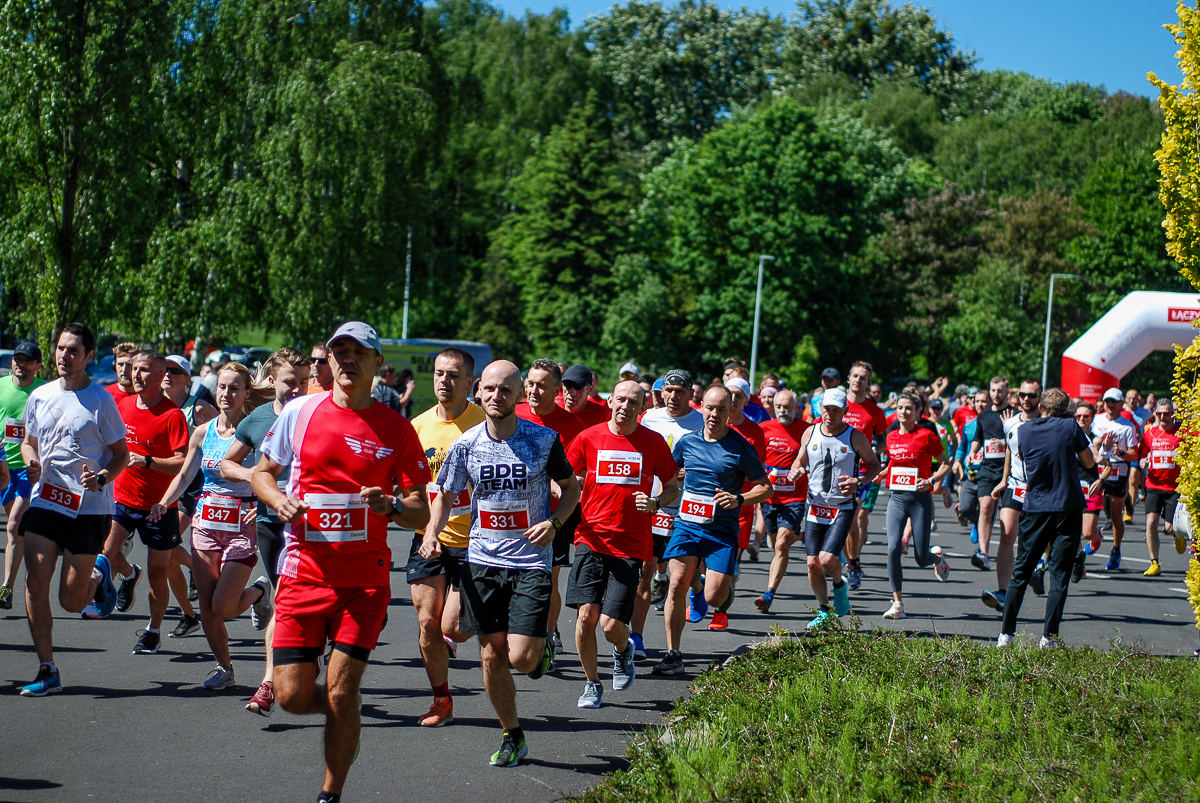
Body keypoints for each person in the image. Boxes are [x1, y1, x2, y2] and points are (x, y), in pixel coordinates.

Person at [254, 322, 430, 800]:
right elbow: (262, 473)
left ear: (377, 363)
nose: (347, 359)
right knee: (291, 696)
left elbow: (421, 510)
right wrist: (277, 500)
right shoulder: (300, 411)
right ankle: (346, 715)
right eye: (339, 352)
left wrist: (391, 505)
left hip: (363, 583)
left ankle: (331, 792)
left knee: (338, 689)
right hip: (303, 574)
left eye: (358, 352)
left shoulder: (396, 428)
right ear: (328, 361)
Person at [428, 360, 580, 766]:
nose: (497, 397)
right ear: (480, 391)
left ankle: (541, 646)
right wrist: (430, 533)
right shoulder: (466, 445)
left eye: (506, 391)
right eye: (490, 390)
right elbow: (444, 494)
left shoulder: (544, 440)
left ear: (518, 395)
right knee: (491, 655)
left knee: (521, 659)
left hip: (530, 561)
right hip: (482, 560)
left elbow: (571, 488)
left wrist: (555, 522)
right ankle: (512, 735)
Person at [18, 323, 129, 696]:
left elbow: (121, 455)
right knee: (34, 581)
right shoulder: (41, 395)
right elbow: (29, 443)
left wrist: (100, 477)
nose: (64, 356)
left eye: (73, 351)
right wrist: (32, 462)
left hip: (89, 508)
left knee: (71, 601)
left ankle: (99, 575)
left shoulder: (101, 401)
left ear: (88, 357)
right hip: (46, 500)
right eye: (61, 349)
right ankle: (47, 668)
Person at [150, 362, 270, 685]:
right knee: (207, 606)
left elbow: (269, 476)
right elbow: (186, 474)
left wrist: (261, 504)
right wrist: (164, 502)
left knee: (224, 606)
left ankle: (259, 591)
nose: (226, 393)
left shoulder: (255, 432)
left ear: (247, 393)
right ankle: (225, 669)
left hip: (242, 521)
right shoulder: (203, 433)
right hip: (206, 520)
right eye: (222, 387)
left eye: (234, 388)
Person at [566, 380, 678, 708]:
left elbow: (672, 486)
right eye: (621, 399)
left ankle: (623, 649)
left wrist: (656, 503)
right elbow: (563, 478)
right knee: (586, 617)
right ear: (610, 401)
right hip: (590, 538)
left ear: (642, 408)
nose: (625, 406)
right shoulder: (588, 437)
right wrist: (567, 492)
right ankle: (591, 684)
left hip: (630, 545)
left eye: (633, 402)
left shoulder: (653, 442)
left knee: (611, 624)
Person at [652, 385, 772, 676]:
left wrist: (739, 498)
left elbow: (766, 488)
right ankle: (673, 653)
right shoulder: (687, 442)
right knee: (676, 584)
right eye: (709, 408)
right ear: (701, 407)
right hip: (687, 524)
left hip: (721, 531)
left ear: (731, 412)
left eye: (721, 409)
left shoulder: (741, 447)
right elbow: (670, 474)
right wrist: (671, 481)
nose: (714, 414)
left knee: (714, 598)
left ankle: (716, 588)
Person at [220, 347, 311, 716]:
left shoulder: (315, 413)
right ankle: (269, 684)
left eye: (305, 382)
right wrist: (258, 479)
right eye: (291, 381)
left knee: (303, 602)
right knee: (285, 599)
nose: (298, 389)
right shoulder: (257, 418)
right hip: (271, 524)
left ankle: (305, 664)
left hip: (314, 526)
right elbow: (228, 463)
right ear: (272, 381)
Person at [409, 347, 483, 727]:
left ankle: (491, 615)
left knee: (452, 628)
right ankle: (442, 700)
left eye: (453, 375)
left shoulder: (485, 423)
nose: (444, 381)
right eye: (439, 373)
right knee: (426, 624)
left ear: (469, 382)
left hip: (477, 540)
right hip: (430, 535)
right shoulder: (418, 426)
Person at [98, 351, 189, 658]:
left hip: (158, 507)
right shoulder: (122, 405)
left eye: (145, 370)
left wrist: (148, 461)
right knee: (106, 553)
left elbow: (181, 463)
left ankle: (153, 630)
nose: (136, 375)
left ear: (161, 375)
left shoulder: (172, 415)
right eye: (135, 369)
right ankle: (120, 580)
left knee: (158, 572)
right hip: (122, 499)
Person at [998, 388, 1096, 648]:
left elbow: (1025, 456)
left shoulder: (1024, 431)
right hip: (1067, 506)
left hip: (1036, 506)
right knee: (1060, 575)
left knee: (1021, 571)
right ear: (1067, 411)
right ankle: (1048, 637)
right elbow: (1088, 462)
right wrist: (1072, 425)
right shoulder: (1071, 428)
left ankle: (1006, 634)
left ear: (1040, 407)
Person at [515, 359, 586, 663]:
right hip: (513, 510)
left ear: (557, 390)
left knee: (548, 577)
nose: (533, 389)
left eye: (541, 384)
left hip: (554, 514)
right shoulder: (513, 414)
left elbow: (577, 479)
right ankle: (519, 632)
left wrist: (556, 486)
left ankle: (548, 631)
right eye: (530, 383)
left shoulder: (574, 427)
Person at [636, 369, 704, 655]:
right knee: (645, 571)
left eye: (680, 392)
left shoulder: (700, 421)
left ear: (690, 395)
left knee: (679, 579)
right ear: (661, 393)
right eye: (669, 391)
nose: (674, 397)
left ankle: (698, 590)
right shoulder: (649, 418)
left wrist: (688, 471)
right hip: (654, 503)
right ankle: (636, 639)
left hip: (687, 506)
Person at [881, 392, 952, 619]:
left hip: (920, 500)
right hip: (897, 498)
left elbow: (945, 464)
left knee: (921, 558)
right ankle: (897, 603)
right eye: (900, 408)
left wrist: (931, 480)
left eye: (908, 408)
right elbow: (894, 462)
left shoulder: (926, 435)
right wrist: (881, 474)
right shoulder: (891, 437)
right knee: (893, 547)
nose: (903, 412)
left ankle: (938, 559)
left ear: (917, 412)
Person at [161, 354, 217, 635]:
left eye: (175, 371)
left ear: (187, 378)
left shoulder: (197, 407)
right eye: (164, 369)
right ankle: (189, 614)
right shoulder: (153, 406)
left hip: (192, 487)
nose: (167, 375)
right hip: (162, 484)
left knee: (167, 547)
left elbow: (227, 434)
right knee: (167, 557)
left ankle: (197, 568)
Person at [980, 380, 1041, 612]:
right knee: (1006, 535)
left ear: (1039, 397)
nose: (1027, 399)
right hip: (1015, 486)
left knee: (1032, 541)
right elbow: (1009, 449)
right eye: (1023, 394)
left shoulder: (1046, 423)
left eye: (1032, 395)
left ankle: (1039, 569)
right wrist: (1004, 480)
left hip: (1038, 490)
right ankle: (1003, 592)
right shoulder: (1011, 423)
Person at [753, 389, 811, 613]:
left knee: (781, 544)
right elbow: (755, 458)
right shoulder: (764, 429)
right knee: (775, 540)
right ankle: (805, 535)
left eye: (787, 406)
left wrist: (802, 468)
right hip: (770, 496)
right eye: (779, 407)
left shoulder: (806, 430)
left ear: (796, 407)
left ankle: (769, 594)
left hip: (795, 496)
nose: (783, 410)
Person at [0, 341, 42, 609]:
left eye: (26, 360)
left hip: (30, 468)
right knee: (17, 533)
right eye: (17, 359)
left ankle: (6, 587)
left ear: (37, 365)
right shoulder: (1, 386)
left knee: (14, 525)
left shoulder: (45, 391)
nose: (19, 364)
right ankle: (30, 573)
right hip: (4, 467)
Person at [841, 361, 888, 590]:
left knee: (851, 516)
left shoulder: (876, 412)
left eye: (863, 378)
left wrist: (873, 455)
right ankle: (846, 558)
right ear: (848, 378)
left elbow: (882, 440)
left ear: (868, 384)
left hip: (861, 473)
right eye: (855, 376)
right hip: (835, 472)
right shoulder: (835, 404)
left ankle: (852, 564)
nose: (858, 380)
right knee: (837, 521)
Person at [1092, 388, 1139, 570]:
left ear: (1121, 404)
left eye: (1114, 402)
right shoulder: (1096, 420)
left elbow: (1134, 455)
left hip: (1118, 472)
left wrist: (1120, 452)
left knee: (1114, 514)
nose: (1110, 405)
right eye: (1107, 401)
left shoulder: (1127, 426)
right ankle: (1093, 534)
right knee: (1093, 508)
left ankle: (1116, 550)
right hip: (1097, 470)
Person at [969, 377, 1013, 571]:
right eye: (993, 390)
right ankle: (983, 553)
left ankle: (1009, 552)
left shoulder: (1015, 414)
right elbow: (978, 437)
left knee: (1008, 517)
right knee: (985, 507)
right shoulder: (984, 415)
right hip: (987, 468)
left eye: (1000, 391)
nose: (996, 394)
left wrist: (1006, 444)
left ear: (1007, 393)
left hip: (1010, 470)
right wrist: (972, 452)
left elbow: (1022, 440)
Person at [1139, 397, 1182, 576]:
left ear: (1172, 413)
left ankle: (1178, 535)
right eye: (1159, 413)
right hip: (1154, 485)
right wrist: (1142, 462)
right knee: (1151, 522)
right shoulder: (1150, 433)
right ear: (1155, 414)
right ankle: (1154, 562)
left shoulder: (1181, 433)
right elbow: (1141, 454)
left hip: (1174, 487)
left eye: (1166, 413)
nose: (1163, 417)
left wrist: (1182, 453)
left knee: (1170, 528)